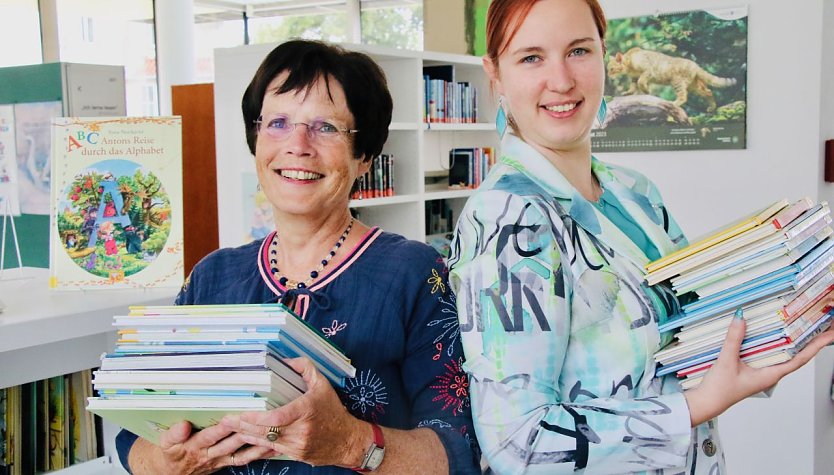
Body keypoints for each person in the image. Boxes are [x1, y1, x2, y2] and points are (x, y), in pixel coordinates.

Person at [447, 0, 834, 473]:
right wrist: (695, 408)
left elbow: (692, 324)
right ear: (496, 76)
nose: (562, 80)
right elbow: (518, 443)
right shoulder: (507, 219)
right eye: (531, 57)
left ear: (605, 56)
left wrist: (793, 305)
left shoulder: (636, 193)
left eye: (579, 51)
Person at [116, 40, 480, 475]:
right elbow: (135, 435)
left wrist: (350, 443)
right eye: (278, 123)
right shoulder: (211, 278)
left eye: (325, 127)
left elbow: (457, 452)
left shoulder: (414, 274)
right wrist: (169, 461)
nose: (297, 145)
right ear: (255, 140)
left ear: (363, 156)